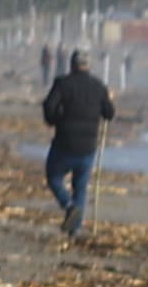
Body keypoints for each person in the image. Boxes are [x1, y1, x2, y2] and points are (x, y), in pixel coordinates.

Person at [38, 47, 116, 238]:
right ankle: (75, 229)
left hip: (65, 142)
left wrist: (54, 120)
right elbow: (109, 113)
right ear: (87, 65)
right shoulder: (99, 86)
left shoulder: (63, 83)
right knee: (80, 186)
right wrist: (108, 101)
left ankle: (70, 207)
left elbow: (49, 106)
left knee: (54, 177)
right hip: (88, 146)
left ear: (72, 65)